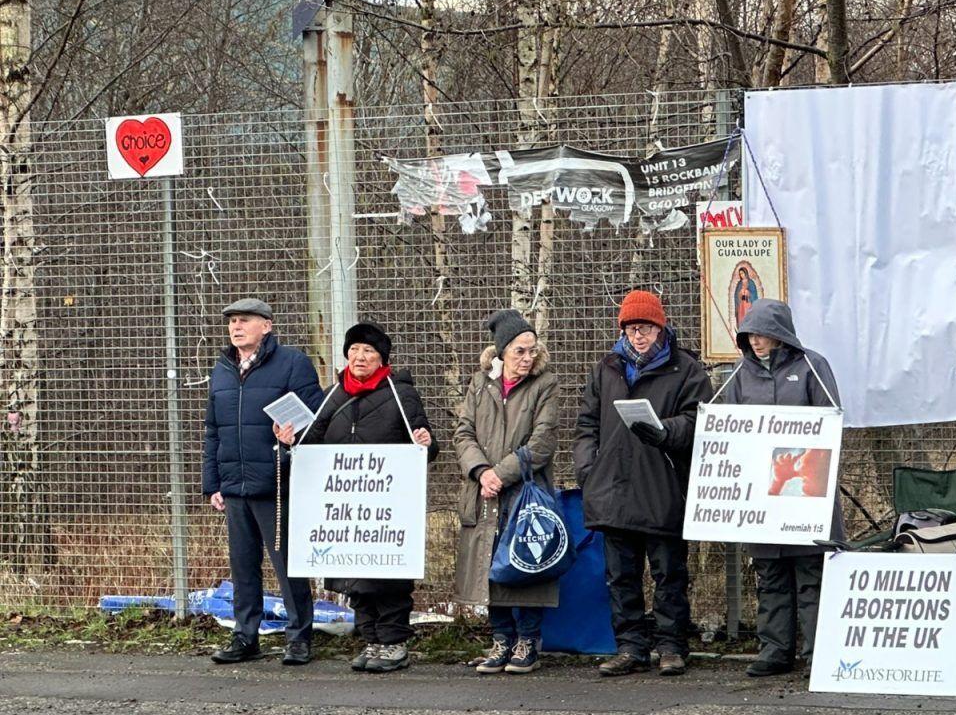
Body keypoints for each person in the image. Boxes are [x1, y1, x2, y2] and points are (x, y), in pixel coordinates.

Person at [276, 322, 438, 673]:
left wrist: (425, 443)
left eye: (368, 351)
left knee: (388, 579)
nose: (359, 357)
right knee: (356, 578)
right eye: (353, 351)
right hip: (346, 511)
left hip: (386, 508)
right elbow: (310, 443)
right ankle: (372, 640)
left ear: (382, 359)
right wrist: (290, 440)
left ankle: (393, 643)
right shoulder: (334, 394)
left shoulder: (400, 392)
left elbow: (425, 444)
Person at [574, 290, 712, 677]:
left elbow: (699, 420)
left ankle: (671, 646)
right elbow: (587, 424)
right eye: (632, 329)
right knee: (621, 576)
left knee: (669, 573)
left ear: (660, 327)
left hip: (663, 486)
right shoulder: (607, 368)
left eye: (646, 328)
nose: (639, 336)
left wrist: (664, 431)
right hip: (612, 487)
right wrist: (588, 469)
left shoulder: (685, 369)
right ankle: (630, 647)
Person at [721, 298, 843, 677]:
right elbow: (727, 426)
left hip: (806, 493)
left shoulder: (812, 367)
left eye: (762, 335)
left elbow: (831, 423)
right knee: (770, 574)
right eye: (750, 336)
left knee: (811, 576)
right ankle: (774, 650)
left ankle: (815, 651)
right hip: (763, 494)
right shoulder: (740, 374)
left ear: (780, 335)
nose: (756, 342)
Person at [202, 297, 323, 666]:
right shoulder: (222, 370)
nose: (236, 327)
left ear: (266, 326)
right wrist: (213, 483)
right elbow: (212, 431)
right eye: (232, 321)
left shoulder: (292, 364)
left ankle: (299, 637)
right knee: (242, 566)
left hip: (278, 483)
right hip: (235, 485)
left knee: (288, 565)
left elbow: (317, 419)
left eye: (244, 321)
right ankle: (245, 636)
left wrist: (294, 437)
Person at [454, 309, 561, 675]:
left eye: (532, 350)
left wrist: (499, 474)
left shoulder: (545, 385)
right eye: (520, 351)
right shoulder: (480, 384)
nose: (527, 358)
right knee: (491, 564)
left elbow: (543, 441)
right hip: (485, 492)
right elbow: (463, 432)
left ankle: (528, 641)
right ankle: (501, 638)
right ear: (502, 352)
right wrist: (481, 472)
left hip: (525, 490)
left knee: (526, 564)